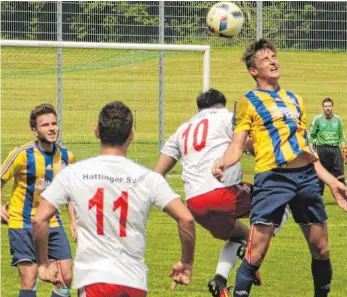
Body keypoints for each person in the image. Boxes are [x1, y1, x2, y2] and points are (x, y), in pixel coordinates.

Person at [212, 39, 347, 297]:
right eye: (265, 59)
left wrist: (332, 181)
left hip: (306, 178)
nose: (273, 61)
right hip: (272, 179)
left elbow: (308, 150)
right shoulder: (247, 102)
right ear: (254, 70)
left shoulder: (295, 99)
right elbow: (237, 145)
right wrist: (223, 162)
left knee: (322, 250)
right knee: (255, 253)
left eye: (274, 56)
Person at [32, 101, 196, 297]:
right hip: (134, 281)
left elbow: (39, 219)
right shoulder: (147, 178)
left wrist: (43, 264)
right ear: (131, 135)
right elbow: (186, 218)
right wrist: (186, 262)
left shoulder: (75, 173)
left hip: (95, 279)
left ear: (96, 132)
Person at [154, 89, 288, 297]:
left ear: (199, 109)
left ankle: (220, 280)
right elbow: (252, 144)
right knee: (281, 199)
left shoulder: (182, 130)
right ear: (221, 105)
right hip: (224, 193)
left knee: (240, 237)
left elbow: (156, 174)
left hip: (195, 205)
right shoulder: (227, 117)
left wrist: (174, 205)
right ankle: (253, 257)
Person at [0, 103, 77, 297]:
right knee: (30, 278)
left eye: (54, 123)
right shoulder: (22, 154)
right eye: (45, 125)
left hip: (52, 222)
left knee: (65, 277)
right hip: (21, 222)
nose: (51, 128)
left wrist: (74, 220)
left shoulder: (67, 156)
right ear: (35, 130)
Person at [309, 97, 346, 195]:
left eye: (329, 106)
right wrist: (311, 150)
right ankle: (319, 198)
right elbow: (311, 135)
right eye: (325, 106)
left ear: (332, 107)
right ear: (323, 108)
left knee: (340, 175)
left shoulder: (338, 120)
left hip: (335, 150)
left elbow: (341, 136)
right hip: (322, 150)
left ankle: (343, 196)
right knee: (320, 176)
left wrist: (344, 150)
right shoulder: (318, 120)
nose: (327, 108)